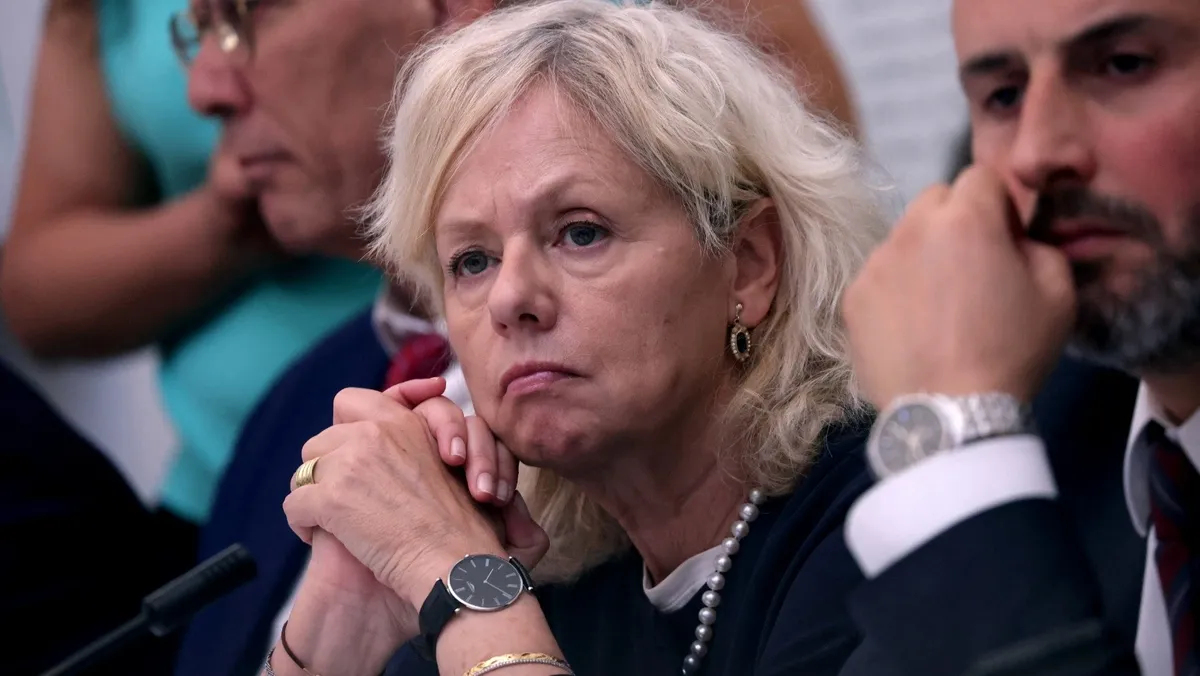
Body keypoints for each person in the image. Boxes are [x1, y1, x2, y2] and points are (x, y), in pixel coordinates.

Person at [169, 0, 862, 673]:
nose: (509, 299)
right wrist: (338, 632)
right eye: (472, 261)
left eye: (580, 233)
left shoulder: (876, 528)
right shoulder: (550, 570)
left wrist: (458, 576)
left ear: (749, 263)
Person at [840, 0, 1200, 674]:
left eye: (1124, 65)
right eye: (1004, 96)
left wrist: (957, 451)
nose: (1037, 153)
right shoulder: (1058, 421)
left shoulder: (992, 442)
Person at [0, 0, 381, 537]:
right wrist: (229, 223)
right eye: (198, 31)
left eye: (252, 15)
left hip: (441, 476)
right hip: (221, 504)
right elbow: (39, 296)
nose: (200, 92)